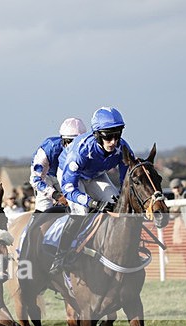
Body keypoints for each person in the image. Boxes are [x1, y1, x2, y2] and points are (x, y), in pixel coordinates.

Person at [50, 107, 134, 274]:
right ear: (97, 135)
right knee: (81, 210)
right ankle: (60, 256)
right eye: (108, 136)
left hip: (96, 174)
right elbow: (69, 190)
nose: (114, 141)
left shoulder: (122, 147)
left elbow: (127, 181)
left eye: (117, 135)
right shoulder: (80, 151)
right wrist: (91, 202)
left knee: (115, 202)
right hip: (71, 177)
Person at [30, 117, 87, 213]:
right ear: (63, 140)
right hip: (46, 177)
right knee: (42, 209)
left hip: (67, 177)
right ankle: (33, 227)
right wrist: (56, 195)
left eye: (78, 142)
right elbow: (35, 180)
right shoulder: (49, 148)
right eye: (70, 142)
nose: (73, 147)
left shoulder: (87, 149)